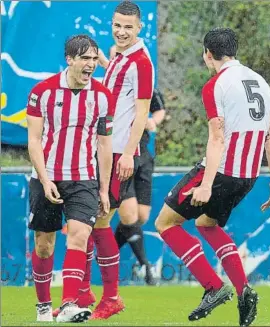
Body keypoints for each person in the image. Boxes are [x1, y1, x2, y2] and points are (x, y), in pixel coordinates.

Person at [155, 27, 270, 327]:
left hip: (221, 172)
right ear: (234, 51)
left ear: (207, 54)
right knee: (206, 225)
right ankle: (243, 290)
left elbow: (217, 138)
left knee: (165, 223)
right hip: (247, 177)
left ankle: (212, 286)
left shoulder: (215, 85)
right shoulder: (261, 83)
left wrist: (206, 185)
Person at [27, 34, 114, 323]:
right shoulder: (43, 92)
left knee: (79, 237)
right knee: (44, 245)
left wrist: (103, 189)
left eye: (94, 59)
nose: (91, 64)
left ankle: (68, 305)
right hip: (46, 177)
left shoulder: (102, 96)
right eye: (85, 58)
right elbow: (34, 140)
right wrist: (45, 178)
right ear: (70, 60)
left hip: (84, 179)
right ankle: (43, 307)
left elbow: (104, 145)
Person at [87, 0, 154, 320]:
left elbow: (142, 112)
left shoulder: (141, 62)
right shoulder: (119, 56)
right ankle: (88, 294)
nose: (122, 31)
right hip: (100, 149)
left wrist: (128, 152)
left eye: (129, 26)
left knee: (98, 221)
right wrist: (100, 57)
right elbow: (113, 80)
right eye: (117, 25)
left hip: (117, 154)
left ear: (140, 28)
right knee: (90, 221)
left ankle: (109, 296)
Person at [114, 87, 166, 285]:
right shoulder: (113, 85)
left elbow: (159, 110)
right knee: (129, 215)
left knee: (141, 217)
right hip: (119, 155)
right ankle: (146, 266)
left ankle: (105, 255)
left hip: (142, 155)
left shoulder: (145, 84)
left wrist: (152, 120)